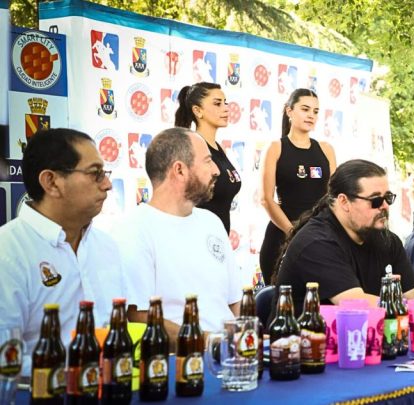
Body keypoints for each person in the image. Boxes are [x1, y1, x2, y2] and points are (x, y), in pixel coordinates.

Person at [0, 128, 122, 375]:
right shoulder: (8, 252)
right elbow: (5, 361)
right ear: (52, 182)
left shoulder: (106, 246)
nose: (108, 185)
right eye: (95, 174)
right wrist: (74, 373)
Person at [115, 127, 242, 342]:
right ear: (179, 170)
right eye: (208, 161)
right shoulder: (134, 230)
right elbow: (139, 318)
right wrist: (211, 343)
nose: (216, 171)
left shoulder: (212, 222)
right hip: (180, 364)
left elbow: (233, 302)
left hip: (229, 360)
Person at [274, 159, 414, 313]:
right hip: (304, 336)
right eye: (376, 200)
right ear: (344, 202)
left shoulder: (387, 240)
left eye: (388, 198)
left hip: (366, 334)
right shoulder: (317, 243)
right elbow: (357, 305)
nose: (385, 206)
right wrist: (408, 306)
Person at [260, 88, 337, 284]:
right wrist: (293, 232)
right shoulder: (275, 148)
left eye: (316, 111)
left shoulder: (326, 149)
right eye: (305, 109)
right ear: (289, 111)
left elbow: (334, 196)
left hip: (319, 237)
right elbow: (266, 199)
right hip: (281, 237)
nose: (311, 115)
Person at [175, 82, 241, 234]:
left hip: (220, 239)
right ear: (198, 111)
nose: (225, 108)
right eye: (217, 104)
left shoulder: (220, 149)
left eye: (225, 103)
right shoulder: (190, 147)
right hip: (197, 237)